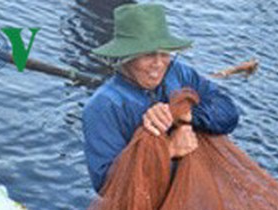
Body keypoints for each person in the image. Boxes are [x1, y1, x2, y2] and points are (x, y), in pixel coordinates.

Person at [82, 3, 239, 193]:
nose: (158, 64)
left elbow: (228, 112)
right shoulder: (103, 106)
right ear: (125, 55)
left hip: (195, 193)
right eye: (148, 55)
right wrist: (168, 151)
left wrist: (185, 115)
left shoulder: (179, 73)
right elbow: (106, 186)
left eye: (164, 52)